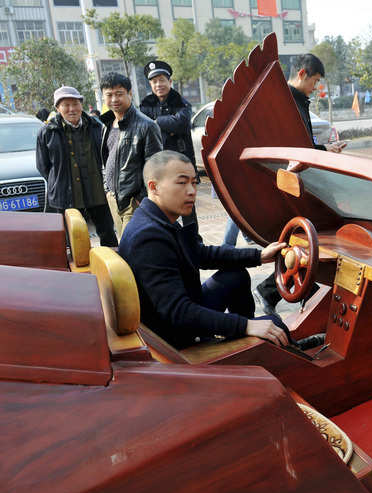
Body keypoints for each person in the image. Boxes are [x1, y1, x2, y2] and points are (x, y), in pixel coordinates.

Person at [119, 150, 325, 351]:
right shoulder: (149, 238)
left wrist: (258, 256)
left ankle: (255, 346)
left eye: (193, 182)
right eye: (182, 183)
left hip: (178, 314)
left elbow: (202, 254)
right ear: (153, 187)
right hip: (174, 335)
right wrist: (245, 325)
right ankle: (277, 346)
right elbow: (178, 312)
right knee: (273, 322)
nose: (191, 191)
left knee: (236, 275)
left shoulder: (157, 220)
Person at [254, 53, 345, 316]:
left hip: (298, 177)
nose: (316, 88)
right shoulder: (285, 102)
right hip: (289, 181)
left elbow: (302, 145)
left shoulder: (298, 101)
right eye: (315, 81)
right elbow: (290, 147)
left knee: (305, 237)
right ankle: (289, 291)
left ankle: (278, 290)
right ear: (302, 74)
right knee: (306, 235)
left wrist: (325, 148)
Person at [36, 86, 118, 247]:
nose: (71, 109)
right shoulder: (47, 132)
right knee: (74, 239)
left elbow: (108, 155)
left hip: (96, 191)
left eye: (75, 104)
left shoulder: (96, 126)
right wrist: (60, 181)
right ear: (58, 108)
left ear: (81, 105)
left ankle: (111, 267)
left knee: (107, 232)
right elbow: (43, 166)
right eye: (66, 105)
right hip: (66, 194)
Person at [100, 72, 163, 236]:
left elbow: (156, 167)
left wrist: (142, 198)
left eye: (119, 94)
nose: (114, 99)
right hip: (114, 198)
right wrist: (107, 188)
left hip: (134, 201)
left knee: (134, 248)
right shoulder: (107, 124)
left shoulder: (147, 125)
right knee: (124, 246)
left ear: (130, 93)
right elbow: (106, 158)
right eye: (109, 95)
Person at [140, 60, 198, 227]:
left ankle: (193, 244)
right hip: (158, 167)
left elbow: (182, 123)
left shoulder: (180, 101)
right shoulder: (146, 104)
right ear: (150, 84)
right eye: (154, 81)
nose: (158, 84)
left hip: (181, 165)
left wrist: (156, 122)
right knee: (160, 209)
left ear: (170, 82)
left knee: (188, 209)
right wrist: (168, 124)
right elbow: (142, 128)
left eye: (162, 80)